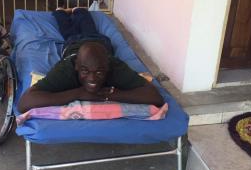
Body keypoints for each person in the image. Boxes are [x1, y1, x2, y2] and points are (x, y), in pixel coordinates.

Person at [17, 8, 164, 113]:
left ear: (107, 67)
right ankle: (61, 12)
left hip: (99, 43)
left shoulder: (115, 67)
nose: (92, 78)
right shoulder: (66, 70)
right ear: (76, 67)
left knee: (88, 29)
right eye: (85, 71)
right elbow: (24, 103)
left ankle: (80, 11)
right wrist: (78, 93)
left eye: (99, 72)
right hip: (73, 46)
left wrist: (110, 95)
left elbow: (155, 97)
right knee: (69, 33)